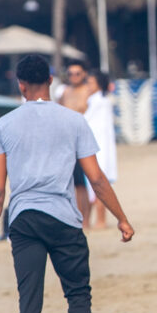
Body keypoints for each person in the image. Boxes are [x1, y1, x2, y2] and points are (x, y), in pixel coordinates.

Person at [0, 54, 135, 313]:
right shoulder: (73, 122)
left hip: (24, 221)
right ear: (51, 80)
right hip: (64, 218)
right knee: (78, 296)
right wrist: (121, 218)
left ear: (20, 85)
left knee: (29, 303)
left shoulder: (3, 126)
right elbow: (96, 177)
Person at [82, 70, 117, 229]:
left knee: (97, 184)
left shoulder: (99, 101)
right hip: (102, 145)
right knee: (96, 184)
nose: (88, 86)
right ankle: (92, 221)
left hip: (99, 147)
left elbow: (84, 120)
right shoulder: (101, 99)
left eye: (91, 83)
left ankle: (100, 221)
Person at [58, 59, 91, 223]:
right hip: (67, 141)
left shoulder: (88, 91)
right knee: (72, 183)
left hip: (83, 139)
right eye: (70, 73)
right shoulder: (65, 92)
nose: (73, 76)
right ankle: (76, 217)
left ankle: (86, 218)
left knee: (84, 183)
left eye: (77, 73)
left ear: (83, 74)